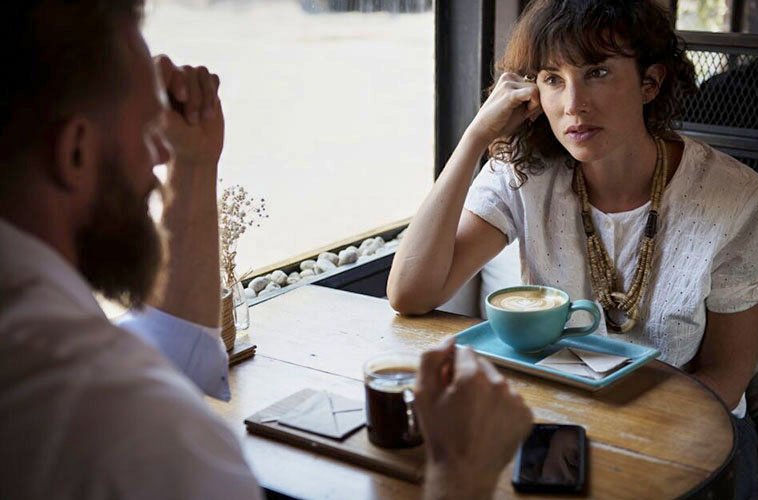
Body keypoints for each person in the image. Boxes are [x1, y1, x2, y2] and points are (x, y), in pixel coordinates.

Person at [0, 1, 532, 499]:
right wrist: (460, 473)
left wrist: (194, 164)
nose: (159, 157)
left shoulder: (40, 342)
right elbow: (139, 401)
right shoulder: (132, 430)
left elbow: (169, 353)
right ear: (74, 152)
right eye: (145, 134)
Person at [388, 1, 758, 498]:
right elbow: (411, 292)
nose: (573, 103)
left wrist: (619, 441)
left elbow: (727, 375)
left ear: (650, 83)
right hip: (561, 418)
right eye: (552, 79)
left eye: (597, 72)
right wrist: (475, 137)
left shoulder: (741, 200)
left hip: (693, 427)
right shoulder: (525, 173)